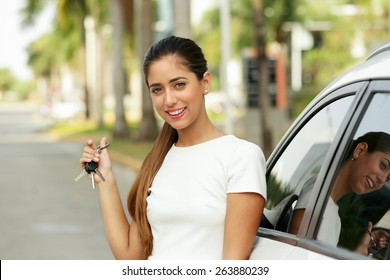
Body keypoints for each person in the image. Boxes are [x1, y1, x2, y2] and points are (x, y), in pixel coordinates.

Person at [79, 36, 267, 260]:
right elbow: (129, 258)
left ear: (205, 82)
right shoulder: (158, 161)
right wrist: (106, 179)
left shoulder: (241, 156)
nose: (169, 100)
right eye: (157, 90)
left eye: (179, 85)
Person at [289, 131, 390, 256]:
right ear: (360, 150)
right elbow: (298, 257)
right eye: (383, 165)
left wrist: (360, 250)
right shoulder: (317, 192)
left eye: (388, 178)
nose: (382, 180)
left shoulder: (335, 220)